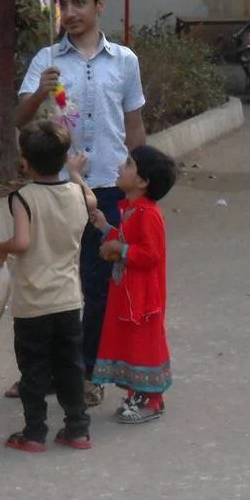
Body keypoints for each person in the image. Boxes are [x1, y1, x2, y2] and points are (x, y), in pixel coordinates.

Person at [6, 0, 147, 407]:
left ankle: (88, 371)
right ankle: (42, 370)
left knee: (98, 283)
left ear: (100, 6)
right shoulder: (46, 62)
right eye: (63, 3)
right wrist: (37, 94)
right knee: (48, 282)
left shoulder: (124, 62)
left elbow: (134, 124)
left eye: (80, 3)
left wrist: (143, 183)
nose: (70, 12)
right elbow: (19, 119)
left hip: (106, 187)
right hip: (55, 189)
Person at [0, 120, 94, 452]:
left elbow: (22, 242)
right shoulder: (77, 193)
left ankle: (34, 432)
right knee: (70, 365)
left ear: (25, 160)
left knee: (33, 369)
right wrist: (75, 173)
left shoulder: (24, 197)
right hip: (68, 299)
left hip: (33, 302)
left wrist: (2, 248)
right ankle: (77, 429)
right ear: (63, 156)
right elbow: (92, 202)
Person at [90, 145, 177, 423]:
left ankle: (152, 399)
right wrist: (105, 228)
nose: (120, 167)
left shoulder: (148, 214)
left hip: (143, 298)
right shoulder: (130, 209)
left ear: (142, 181)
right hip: (128, 293)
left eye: (128, 164)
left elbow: (151, 254)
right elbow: (127, 241)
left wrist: (120, 248)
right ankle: (136, 395)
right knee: (129, 341)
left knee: (144, 342)